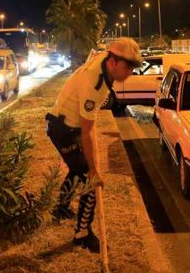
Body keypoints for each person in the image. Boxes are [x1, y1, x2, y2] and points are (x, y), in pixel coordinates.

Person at [45, 38, 142, 253]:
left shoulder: (104, 63)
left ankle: (61, 207)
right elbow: (88, 130)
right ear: (112, 62)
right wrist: (95, 169)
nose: (130, 72)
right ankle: (82, 233)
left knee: (78, 168)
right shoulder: (95, 82)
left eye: (133, 67)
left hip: (68, 125)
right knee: (89, 177)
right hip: (62, 129)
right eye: (128, 66)